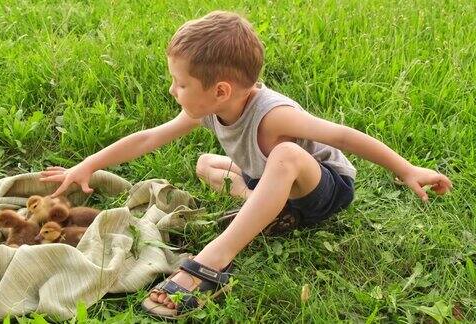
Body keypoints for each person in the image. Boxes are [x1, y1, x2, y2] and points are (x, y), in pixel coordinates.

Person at [39, 10, 452, 319]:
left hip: (323, 190)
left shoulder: (275, 116)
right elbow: (150, 137)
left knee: (287, 154)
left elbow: (343, 136)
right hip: (273, 181)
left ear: (220, 90)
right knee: (206, 164)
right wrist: (88, 165)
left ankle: (214, 260)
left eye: (180, 84)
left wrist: (406, 169)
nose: (172, 89)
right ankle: (270, 211)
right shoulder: (213, 107)